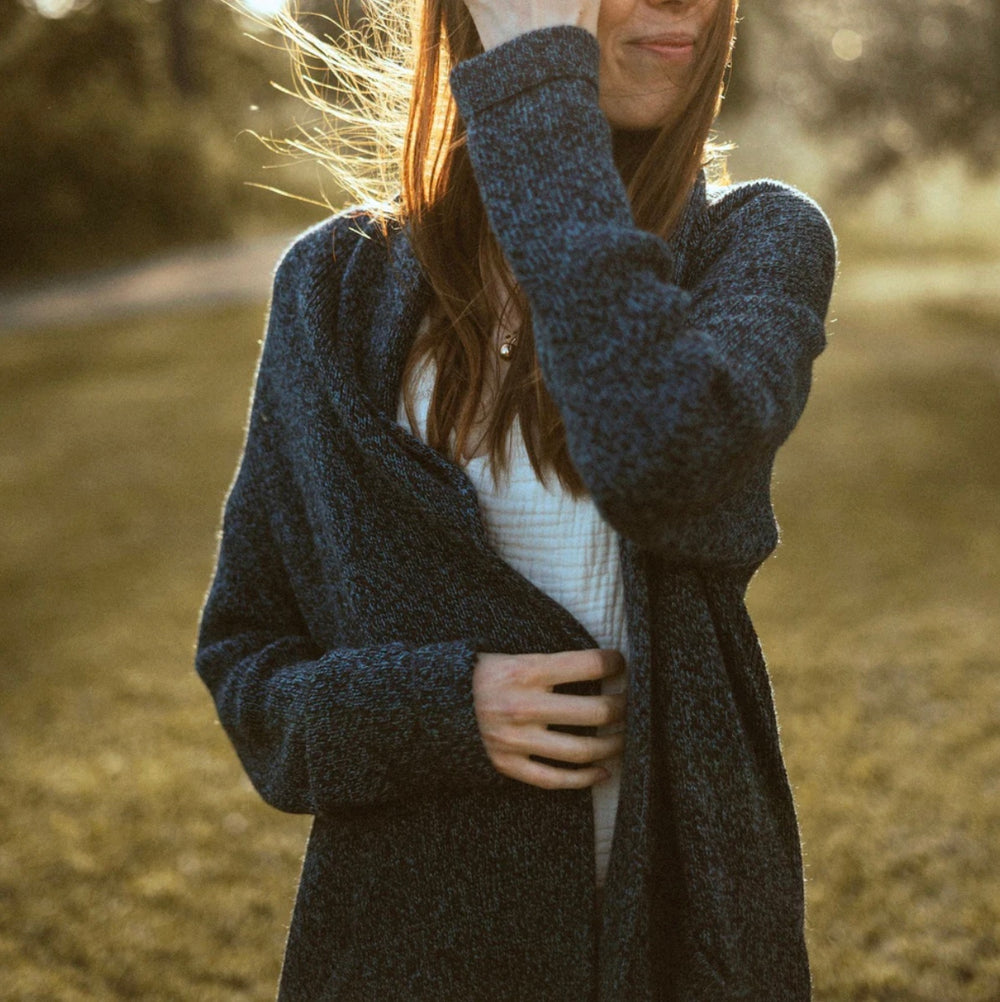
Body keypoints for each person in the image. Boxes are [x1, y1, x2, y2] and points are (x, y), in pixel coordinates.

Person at [195, 0, 837, 998]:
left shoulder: (758, 243)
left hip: (679, 951)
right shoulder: (331, 288)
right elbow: (249, 664)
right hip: (405, 956)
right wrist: (439, 712)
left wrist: (536, 92)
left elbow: (663, 455)